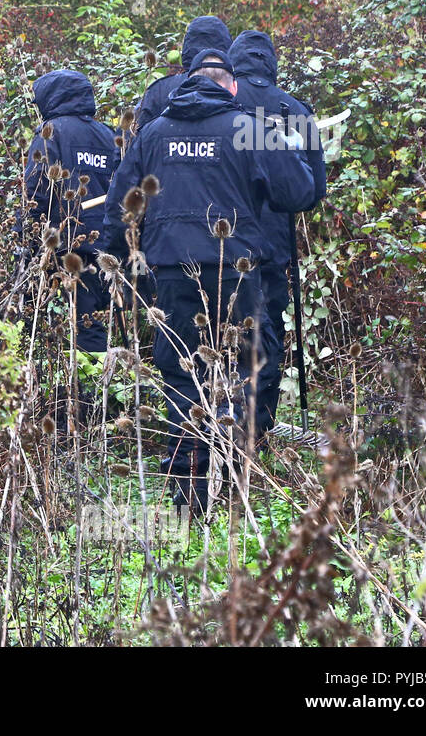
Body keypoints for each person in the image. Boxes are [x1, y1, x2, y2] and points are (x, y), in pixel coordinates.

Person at [104, 50, 315, 513]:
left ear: (185, 82)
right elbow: (300, 193)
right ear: (233, 87)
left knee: (183, 375)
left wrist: (116, 260)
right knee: (246, 369)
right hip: (238, 272)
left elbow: (122, 207)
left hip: (174, 274)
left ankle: (187, 500)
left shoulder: (154, 133)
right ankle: (239, 483)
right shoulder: (250, 129)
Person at [229, 30, 328, 438]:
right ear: (271, 63)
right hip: (273, 244)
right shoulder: (296, 110)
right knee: (267, 330)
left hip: (224, 240)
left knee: (218, 327)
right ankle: (259, 429)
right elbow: (314, 191)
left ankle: (220, 419)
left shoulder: (223, 102)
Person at [18, 68, 120, 353]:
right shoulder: (109, 135)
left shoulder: (51, 133)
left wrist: (24, 239)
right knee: (92, 321)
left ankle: (80, 392)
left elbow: (35, 191)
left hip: (64, 246)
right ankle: (103, 387)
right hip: (105, 247)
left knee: (63, 326)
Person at [134, 15, 232, 132]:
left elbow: (128, 139)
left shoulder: (158, 90)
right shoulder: (233, 87)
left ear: (186, 47)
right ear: (227, 47)